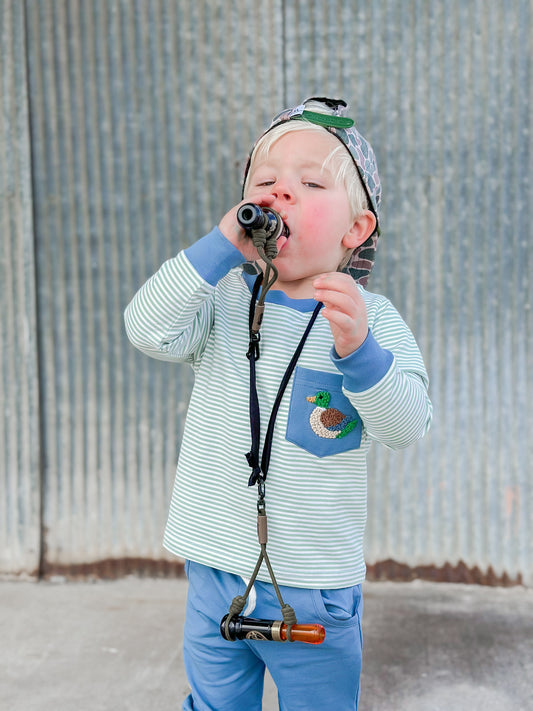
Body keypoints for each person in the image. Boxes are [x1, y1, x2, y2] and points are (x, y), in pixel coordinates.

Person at [124, 97, 432, 711]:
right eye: (265, 182)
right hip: (215, 567)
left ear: (356, 228)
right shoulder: (222, 301)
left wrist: (360, 351)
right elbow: (144, 327)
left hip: (312, 580)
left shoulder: (371, 321)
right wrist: (218, 249)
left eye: (310, 182)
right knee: (215, 703)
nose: (281, 192)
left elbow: (408, 425)